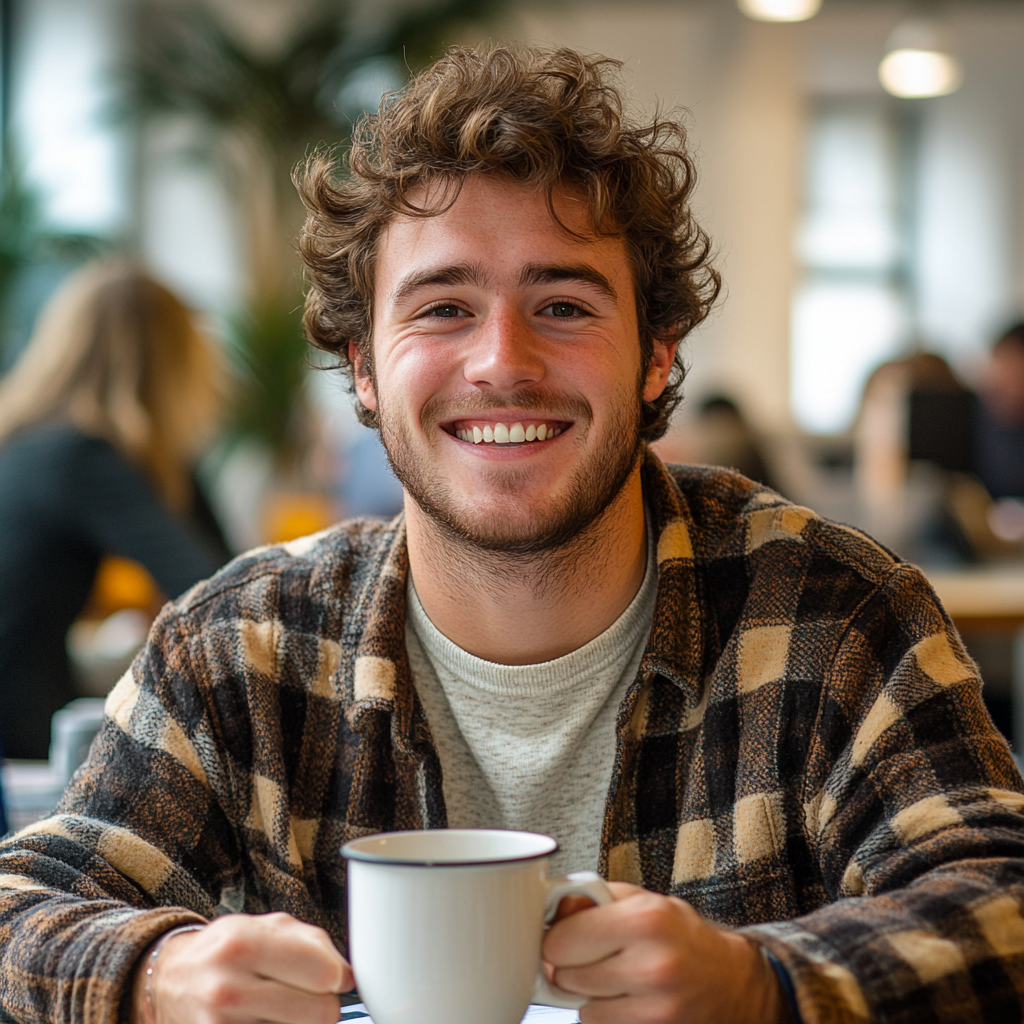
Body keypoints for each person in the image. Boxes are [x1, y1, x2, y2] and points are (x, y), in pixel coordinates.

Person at [1, 45, 1023, 1024]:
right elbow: (24, 907)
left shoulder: (829, 612)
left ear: (656, 355)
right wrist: (152, 974)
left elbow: (998, 899)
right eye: (443, 306)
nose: (502, 361)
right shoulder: (240, 648)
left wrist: (768, 986)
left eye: (564, 303)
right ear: (363, 365)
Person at [0, 260, 229, 759]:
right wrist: (177, 455)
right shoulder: (82, 457)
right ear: (172, 365)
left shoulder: (26, 441)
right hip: (19, 737)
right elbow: (224, 595)